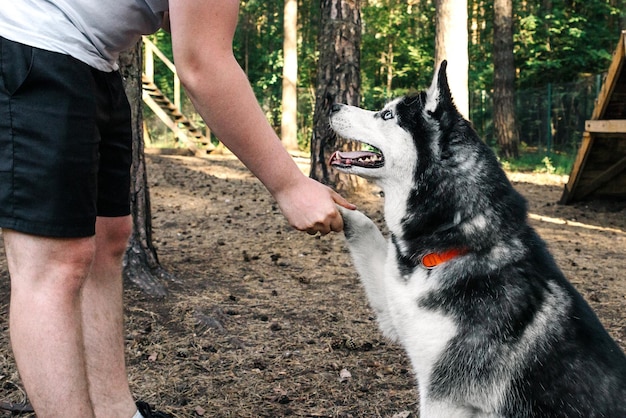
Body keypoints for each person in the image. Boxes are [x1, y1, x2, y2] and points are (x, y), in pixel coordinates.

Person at [0, 0, 354, 417]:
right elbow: (202, 64)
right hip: (32, 45)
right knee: (55, 265)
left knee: (107, 238)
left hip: (95, 60)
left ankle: (119, 414)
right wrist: (289, 184)